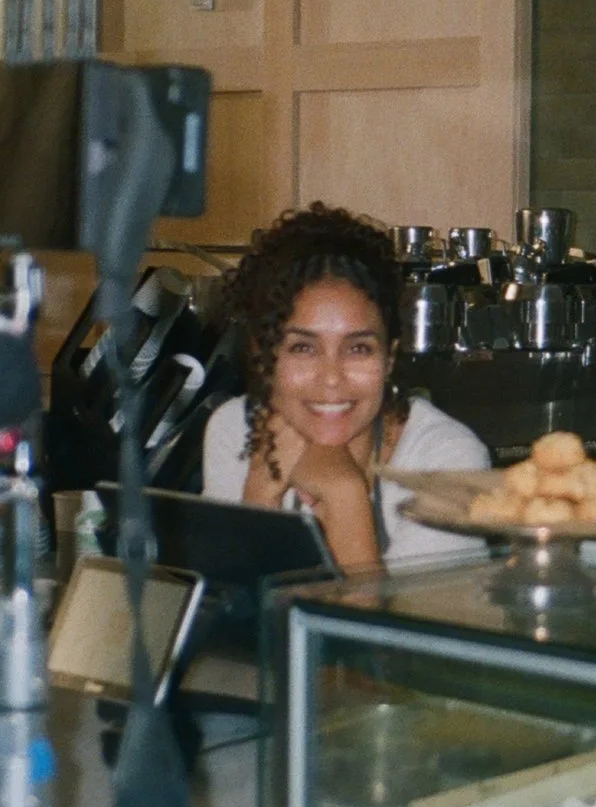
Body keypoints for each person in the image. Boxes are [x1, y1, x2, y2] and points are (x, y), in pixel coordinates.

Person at [201, 204, 488, 570]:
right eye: (303, 348)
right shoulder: (237, 431)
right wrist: (261, 492)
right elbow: (226, 598)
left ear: (389, 358)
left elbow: (398, 613)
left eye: (358, 348)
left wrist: (346, 498)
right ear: (264, 358)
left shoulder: (447, 464)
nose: (331, 378)